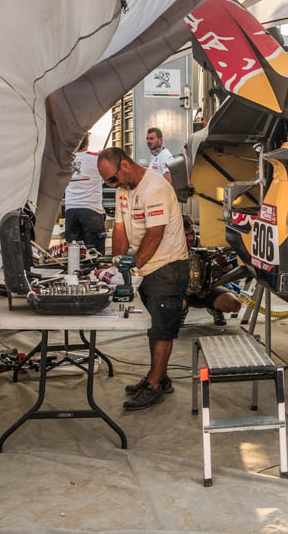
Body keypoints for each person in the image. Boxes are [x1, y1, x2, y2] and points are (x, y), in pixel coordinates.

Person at [98, 147, 189, 410]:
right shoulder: (123, 190)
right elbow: (120, 230)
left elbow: (154, 234)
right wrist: (117, 265)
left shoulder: (155, 188)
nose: (112, 185)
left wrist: (132, 269)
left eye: (112, 179)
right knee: (153, 326)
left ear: (125, 165)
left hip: (168, 267)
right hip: (149, 267)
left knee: (162, 330)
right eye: (107, 182)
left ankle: (154, 386)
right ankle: (159, 377)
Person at [183, 214, 242, 326]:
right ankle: (181, 312)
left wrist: (223, 263)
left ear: (195, 229)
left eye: (192, 233)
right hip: (182, 292)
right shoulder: (173, 248)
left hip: (207, 289)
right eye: (186, 235)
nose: (190, 238)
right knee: (172, 307)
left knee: (234, 304)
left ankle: (214, 308)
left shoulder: (206, 242)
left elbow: (227, 270)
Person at [63, 135, 106, 255]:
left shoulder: (66, 161)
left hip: (70, 211)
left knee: (74, 255)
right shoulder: (97, 159)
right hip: (91, 210)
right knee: (95, 254)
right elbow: (107, 179)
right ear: (87, 142)